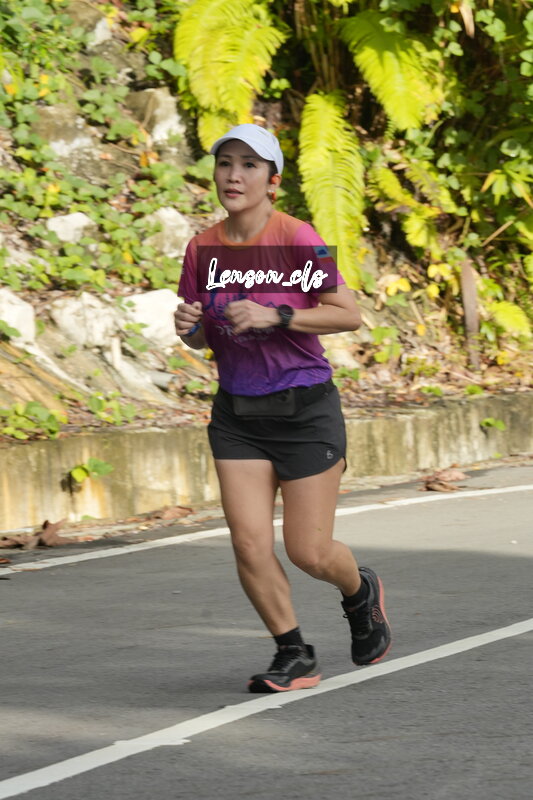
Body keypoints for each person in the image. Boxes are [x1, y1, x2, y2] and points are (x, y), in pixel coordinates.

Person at [175, 123, 391, 693]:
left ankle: (359, 592)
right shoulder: (202, 248)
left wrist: (278, 315)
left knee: (309, 551)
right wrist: (189, 328)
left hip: (304, 411)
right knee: (248, 542)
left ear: (273, 181)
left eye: (249, 165)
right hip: (238, 414)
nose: (234, 175)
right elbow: (202, 335)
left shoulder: (297, 238)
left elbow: (348, 314)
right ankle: (294, 653)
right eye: (225, 163)